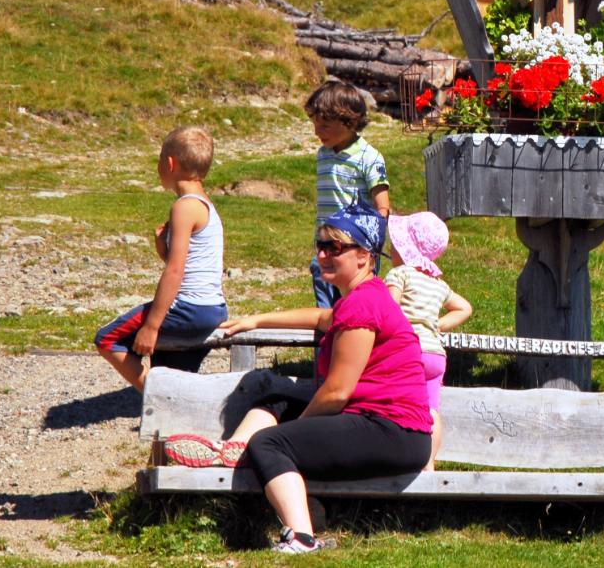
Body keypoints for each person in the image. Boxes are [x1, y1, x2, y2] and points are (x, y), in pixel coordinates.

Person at [163, 203, 432, 555]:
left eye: (334, 248)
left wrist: (292, 432)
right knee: (278, 396)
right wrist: (256, 320)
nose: (322, 254)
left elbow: (337, 392)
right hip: (389, 428)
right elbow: (322, 317)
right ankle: (234, 450)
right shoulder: (363, 297)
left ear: (364, 256)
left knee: (271, 444)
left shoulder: (363, 305)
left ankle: (302, 537)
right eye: (320, 245)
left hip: (391, 432)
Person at [95, 126, 226, 391]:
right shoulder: (205, 203)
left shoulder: (184, 207)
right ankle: (177, 401)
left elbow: (175, 272)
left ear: (170, 163)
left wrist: (152, 326)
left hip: (189, 309)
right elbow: (187, 265)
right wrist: (161, 247)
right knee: (168, 367)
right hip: (213, 307)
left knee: (107, 339)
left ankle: (161, 397)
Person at [384, 212, 473, 470]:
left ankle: (397, 455)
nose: (391, 248)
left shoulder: (399, 274)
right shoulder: (437, 283)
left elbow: (388, 309)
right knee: (431, 409)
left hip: (407, 351)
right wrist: (437, 325)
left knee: (398, 401)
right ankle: (429, 464)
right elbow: (464, 308)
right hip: (435, 355)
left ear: (405, 249)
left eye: (395, 244)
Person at [304, 79, 390, 307]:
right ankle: (325, 342)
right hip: (325, 242)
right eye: (315, 124)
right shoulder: (323, 153)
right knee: (324, 297)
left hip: (354, 246)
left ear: (349, 122)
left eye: (324, 126)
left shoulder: (368, 157)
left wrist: (370, 243)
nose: (316, 132)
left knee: (355, 304)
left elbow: (383, 206)